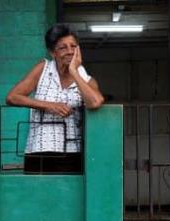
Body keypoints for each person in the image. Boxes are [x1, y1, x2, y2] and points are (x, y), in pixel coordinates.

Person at [6, 24, 104, 173]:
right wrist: (47, 105)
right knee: (37, 194)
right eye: (63, 48)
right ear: (53, 52)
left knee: (67, 194)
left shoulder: (85, 78)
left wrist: (74, 71)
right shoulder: (43, 68)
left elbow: (95, 102)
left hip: (71, 151)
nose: (70, 51)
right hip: (38, 149)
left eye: (73, 46)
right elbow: (13, 97)